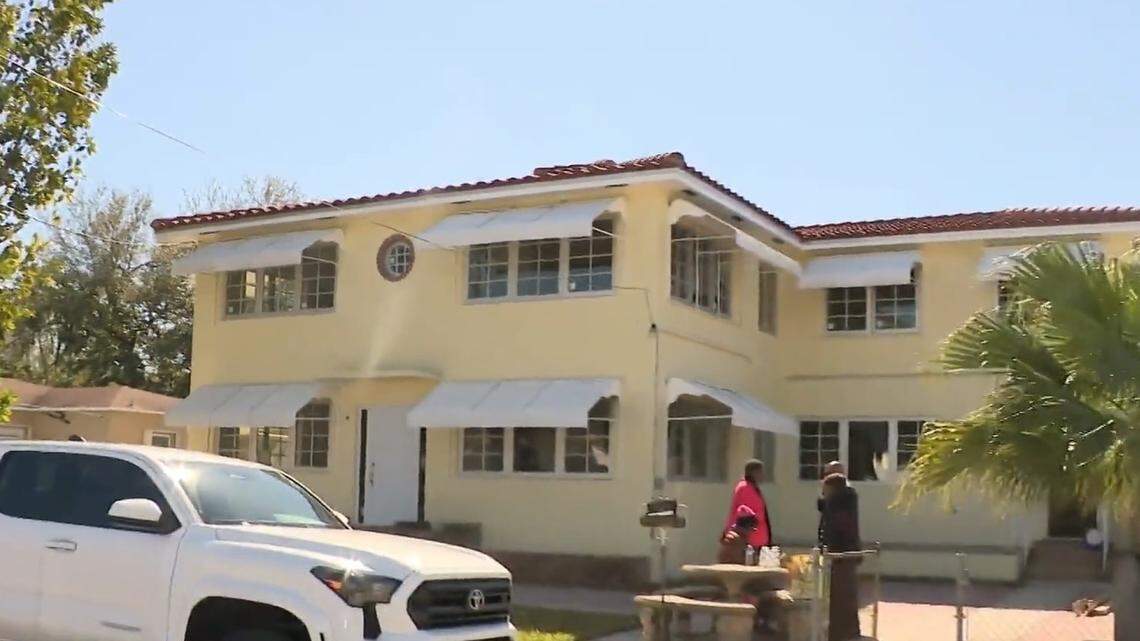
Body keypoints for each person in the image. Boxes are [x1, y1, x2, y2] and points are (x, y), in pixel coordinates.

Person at [819, 473, 861, 641]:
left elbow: (838, 529)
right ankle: (847, 631)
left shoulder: (838, 505)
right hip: (845, 554)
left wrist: (829, 548)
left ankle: (840, 633)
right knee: (845, 596)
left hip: (840, 555)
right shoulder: (844, 502)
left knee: (839, 597)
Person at [724, 459, 773, 549]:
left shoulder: (751, 487)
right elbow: (744, 514)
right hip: (749, 542)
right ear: (753, 472)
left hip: (756, 540)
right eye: (760, 472)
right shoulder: (745, 488)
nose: (762, 475)